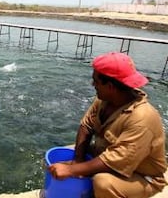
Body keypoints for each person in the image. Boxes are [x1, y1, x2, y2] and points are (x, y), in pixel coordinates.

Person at [48, 52, 167, 198]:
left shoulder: (142, 118)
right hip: (107, 153)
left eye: (96, 81)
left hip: (143, 177)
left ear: (110, 86)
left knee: (103, 183)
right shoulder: (104, 100)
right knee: (61, 158)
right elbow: (86, 126)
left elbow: (116, 160)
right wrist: (77, 160)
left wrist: (71, 171)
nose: (93, 85)